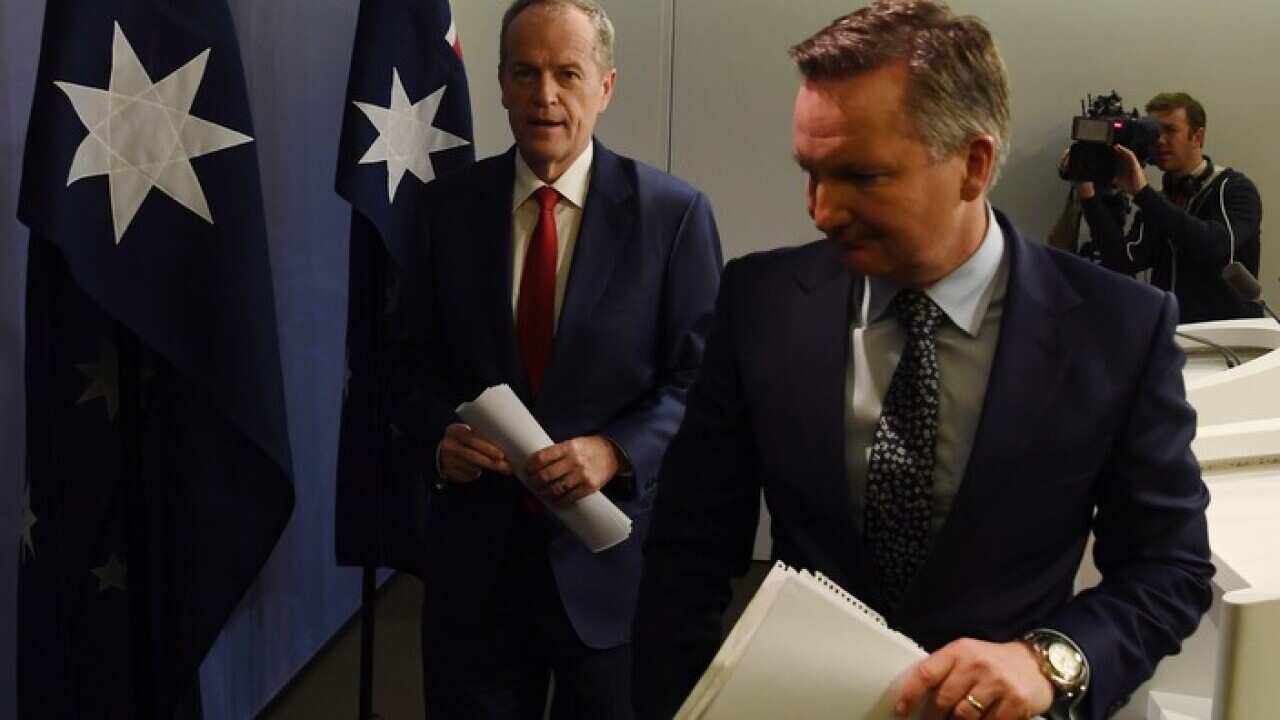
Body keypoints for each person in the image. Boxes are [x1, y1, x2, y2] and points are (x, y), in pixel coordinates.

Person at [633, 3, 1214, 719]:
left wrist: (1048, 661)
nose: (821, 209)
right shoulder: (762, 302)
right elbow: (687, 552)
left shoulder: (1117, 331)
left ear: (973, 163)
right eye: (810, 172)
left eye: (861, 176)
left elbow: (1169, 566)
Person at [414, 0, 723, 717]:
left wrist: (616, 450)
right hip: (474, 575)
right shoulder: (445, 211)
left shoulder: (672, 216)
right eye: (525, 72)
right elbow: (404, 365)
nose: (544, 96)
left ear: (605, 87)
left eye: (566, 73)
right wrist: (440, 439)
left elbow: (703, 384)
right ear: (498, 83)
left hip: (611, 575)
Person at [1077, 92, 1263, 322]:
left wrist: (1143, 195)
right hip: (1176, 337)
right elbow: (1123, 261)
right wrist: (1087, 194)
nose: (1160, 140)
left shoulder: (1233, 189)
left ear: (1198, 136)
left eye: (1170, 130)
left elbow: (1215, 246)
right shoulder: (1160, 201)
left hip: (1232, 338)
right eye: (1154, 132)